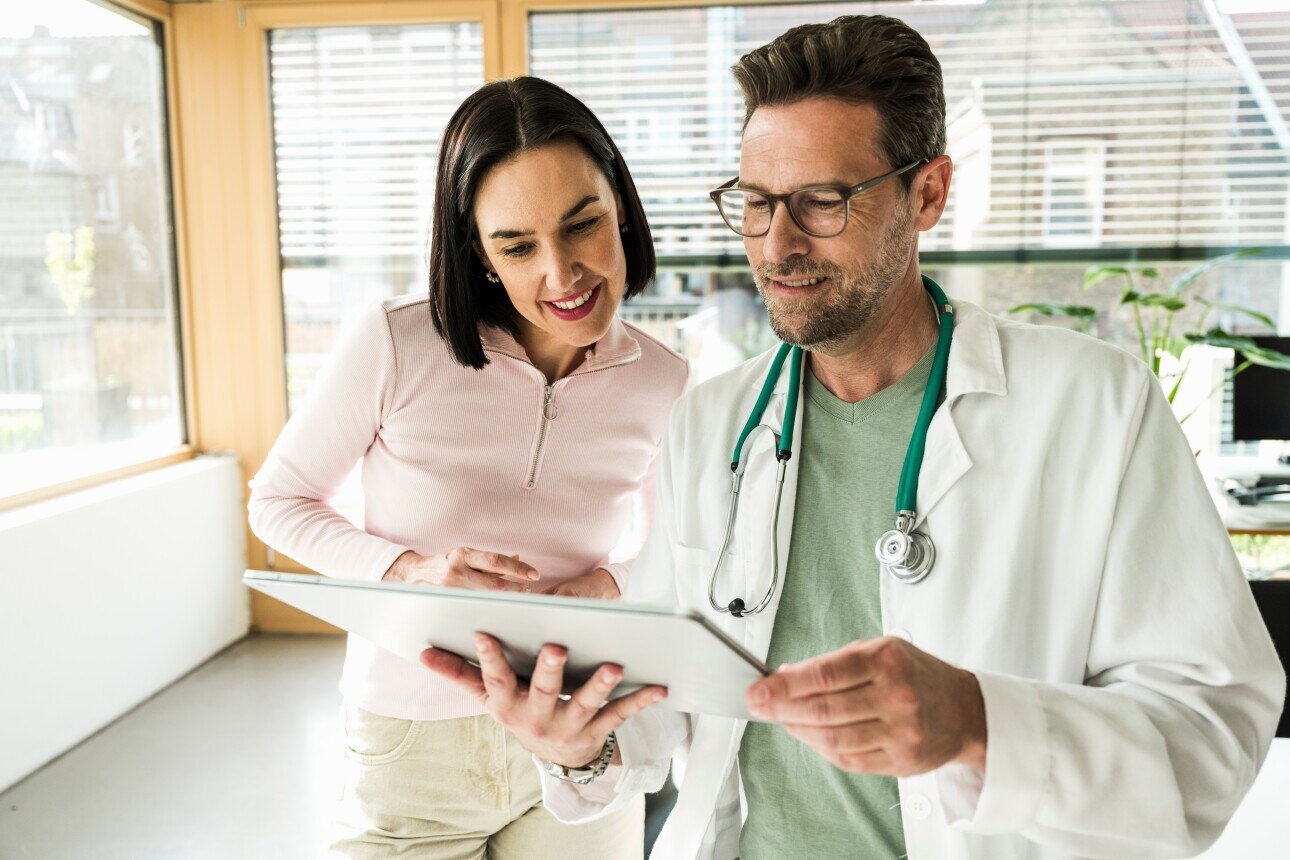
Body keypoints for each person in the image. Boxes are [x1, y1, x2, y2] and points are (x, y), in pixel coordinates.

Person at [421, 15, 1286, 860]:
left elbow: (1213, 736)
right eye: (755, 205)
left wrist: (979, 722)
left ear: (930, 194)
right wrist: (575, 738)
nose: (777, 245)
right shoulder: (714, 423)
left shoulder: (1096, 407)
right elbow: (658, 715)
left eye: (822, 203)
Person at [247, 76, 688, 858]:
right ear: (477, 253)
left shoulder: (665, 380)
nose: (563, 274)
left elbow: (675, 553)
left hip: (578, 724)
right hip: (410, 739)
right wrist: (408, 571)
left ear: (620, 202)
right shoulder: (395, 342)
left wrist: (615, 583)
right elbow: (280, 502)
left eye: (582, 224)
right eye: (517, 246)